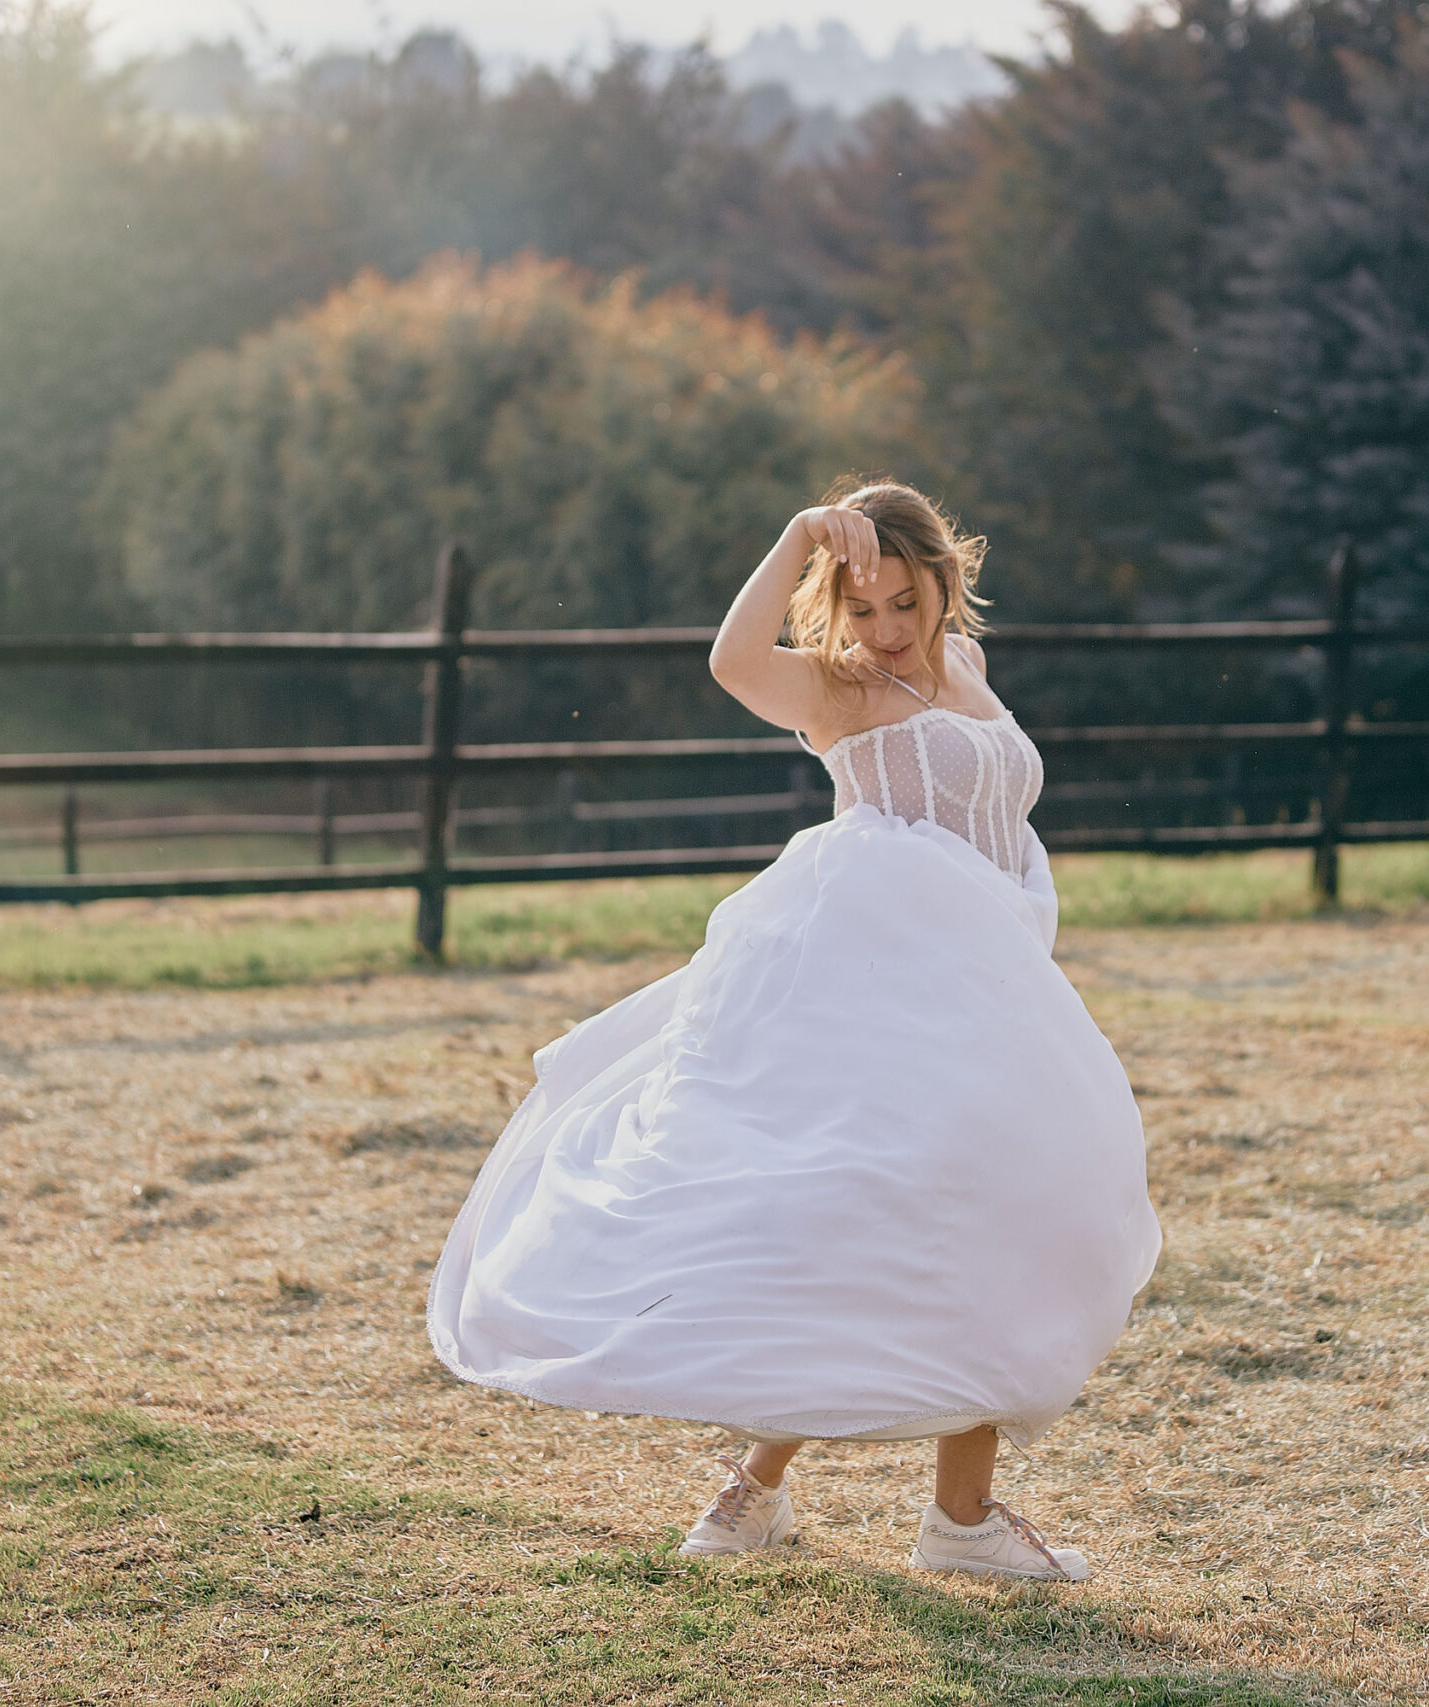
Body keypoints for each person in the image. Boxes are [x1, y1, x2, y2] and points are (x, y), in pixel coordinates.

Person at [427, 479, 1160, 1582]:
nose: (886, 629)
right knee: (844, 1214)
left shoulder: (967, 666)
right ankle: (758, 1489)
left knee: (996, 1202)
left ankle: (957, 1520)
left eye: (904, 603)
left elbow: (997, 826)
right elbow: (731, 663)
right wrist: (797, 536)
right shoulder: (838, 688)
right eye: (862, 609)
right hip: (875, 992)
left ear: (942, 583)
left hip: (989, 988)